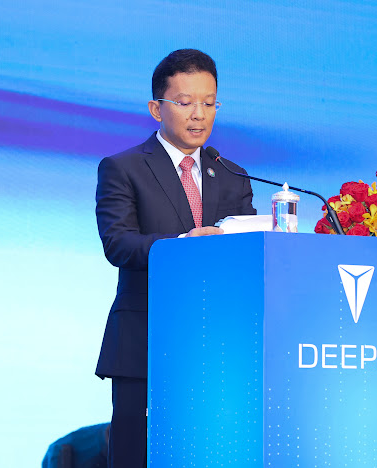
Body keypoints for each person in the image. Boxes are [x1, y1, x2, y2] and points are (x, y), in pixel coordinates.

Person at [94, 49, 257, 468]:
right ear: (157, 108)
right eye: (185, 102)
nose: (199, 114)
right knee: (138, 456)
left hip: (219, 348)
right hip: (147, 342)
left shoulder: (232, 173)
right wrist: (184, 244)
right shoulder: (123, 168)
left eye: (209, 103)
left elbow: (247, 253)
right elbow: (118, 244)